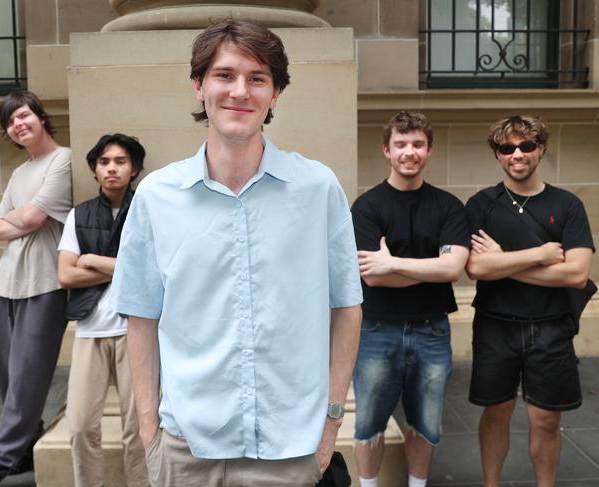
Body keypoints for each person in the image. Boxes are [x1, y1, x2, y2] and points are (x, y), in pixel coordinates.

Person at [109, 19, 363, 487]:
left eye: (257, 77)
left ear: (275, 94)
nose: (240, 91)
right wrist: (149, 431)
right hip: (187, 448)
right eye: (225, 75)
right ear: (199, 87)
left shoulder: (317, 188)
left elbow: (347, 307)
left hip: (291, 449)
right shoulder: (156, 196)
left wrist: (331, 423)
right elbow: (141, 316)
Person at [465, 115, 594, 487]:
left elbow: (576, 274)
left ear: (541, 149)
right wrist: (538, 255)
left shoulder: (567, 205)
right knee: (496, 412)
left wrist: (500, 262)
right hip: (495, 325)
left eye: (525, 146)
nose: (517, 155)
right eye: (507, 148)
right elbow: (473, 268)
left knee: (546, 420)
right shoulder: (481, 204)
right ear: (497, 155)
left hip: (551, 327)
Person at [351, 111, 470, 487]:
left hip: (431, 331)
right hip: (376, 330)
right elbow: (371, 276)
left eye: (417, 144)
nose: (409, 152)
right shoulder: (366, 207)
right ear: (387, 150)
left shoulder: (449, 207)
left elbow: (453, 270)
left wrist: (393, 263)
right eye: (401, 144)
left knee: (427, 422)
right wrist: (425, 269)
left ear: (429, 150)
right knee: (368, 423)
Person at [0, 91, 72, 487]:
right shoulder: (19, 174)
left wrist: (20, 219)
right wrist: (21, 219)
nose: (18, 124)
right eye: (10, 122)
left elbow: (30, 218)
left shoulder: (62, 160)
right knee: (5, 371)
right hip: (9, 282)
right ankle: (27, 443)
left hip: (44, 283)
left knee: (27, 375)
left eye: (23, 115)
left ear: (41, 117)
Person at [57, 134, 149, 487]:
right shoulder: (78, 216)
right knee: (80, 425)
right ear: (95, 169)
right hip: (89, 331)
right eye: (105, 161)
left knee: (138, 426)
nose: (112, 167)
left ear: (134, 168)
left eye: (121, 161)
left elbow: (149, 272)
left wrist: (93, 259)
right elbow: (65, 274)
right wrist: (121, 266)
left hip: (135, 332)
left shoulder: (147, 210)